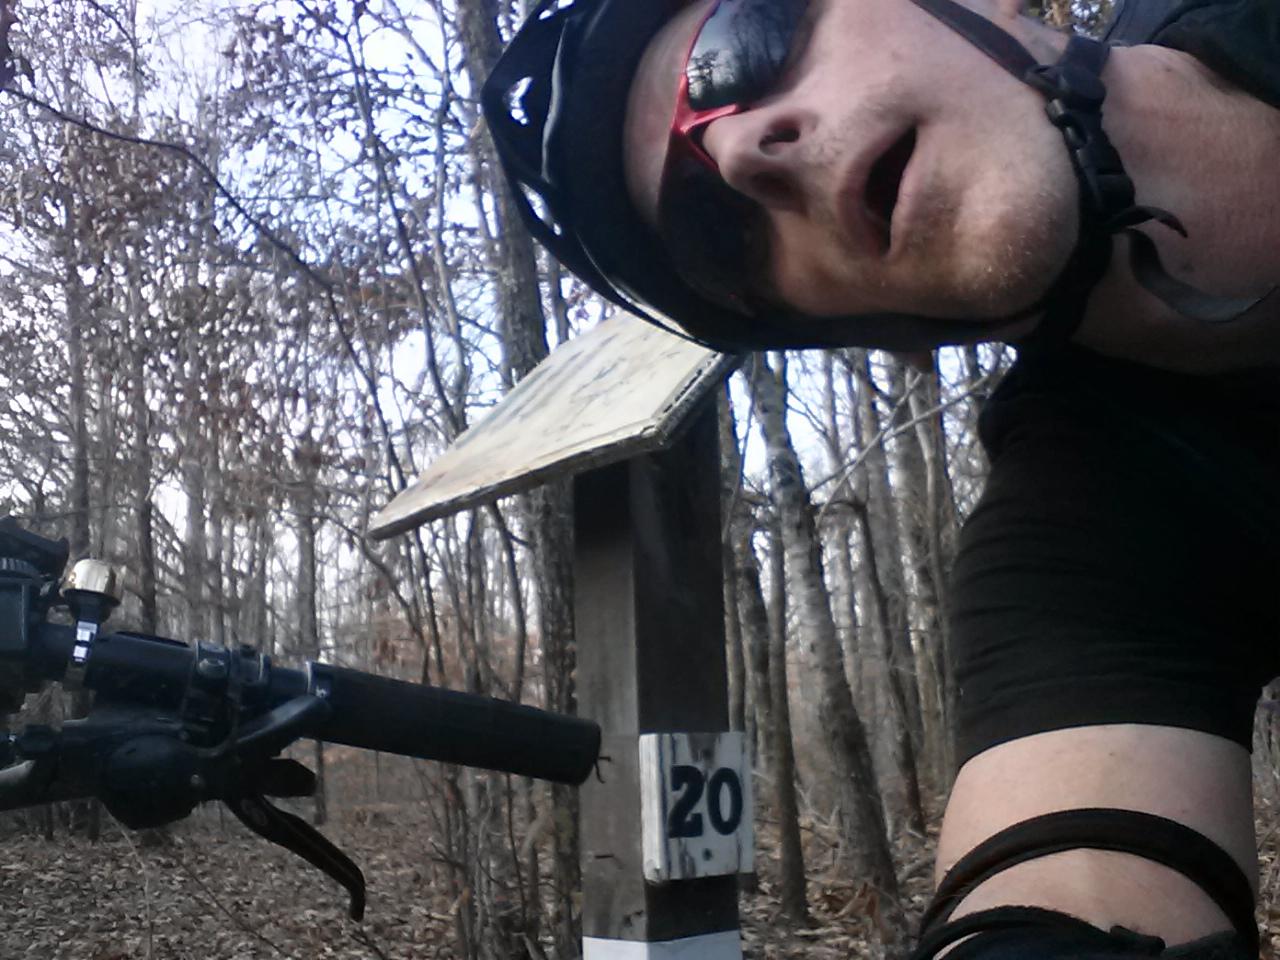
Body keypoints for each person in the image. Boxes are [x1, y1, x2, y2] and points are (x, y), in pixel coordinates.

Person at [481, 0, 1280, 957]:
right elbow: (1066, 858)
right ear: (878, 333)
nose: (742, 160)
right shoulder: (1088, 536)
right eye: (713, 232)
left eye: (739, 50)